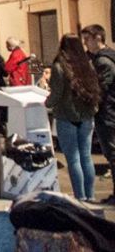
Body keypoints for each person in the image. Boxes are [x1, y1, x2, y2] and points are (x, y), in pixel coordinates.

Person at [45, 34, 101, 202]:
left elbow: (56, 93)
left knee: (73, 159)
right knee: (86, 156)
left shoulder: (59, 66)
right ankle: (90, 195)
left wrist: (47, 103)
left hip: (66, 116)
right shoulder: (87, 64)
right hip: (86, 116)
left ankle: (80, 196)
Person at [82, 24, 115, 203]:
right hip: (108, 111)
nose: (85, 43)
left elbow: (100, 89)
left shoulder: (103, 61)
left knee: (112, 153)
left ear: (98, 38)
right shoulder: (105, 57)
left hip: (108, 113)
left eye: (87, 39)